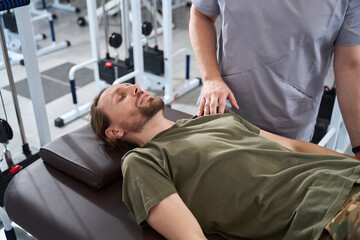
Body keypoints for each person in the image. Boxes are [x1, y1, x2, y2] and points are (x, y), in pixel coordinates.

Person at [90, 83, 360, 240]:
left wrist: (353, 164)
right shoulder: (142, 161)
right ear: (114, 132)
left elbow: (294, 145)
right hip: (325, 211)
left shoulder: (215, 118)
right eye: (121, 96)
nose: (135, 88)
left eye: (131, 85)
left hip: (347, 176)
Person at [189, 1, 360, 158]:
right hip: (221, 111)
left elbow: (349, 66)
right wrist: (211, 78)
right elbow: (201, 15)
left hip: (287, 129)